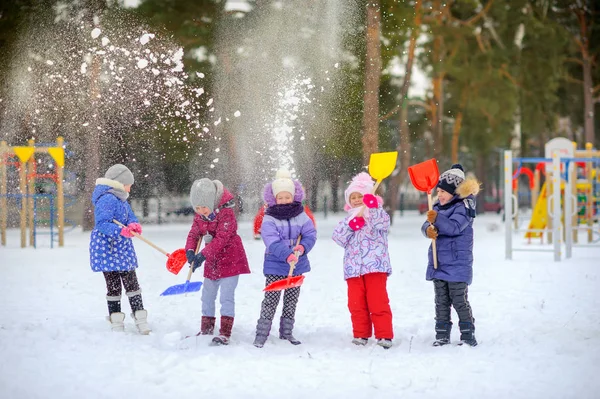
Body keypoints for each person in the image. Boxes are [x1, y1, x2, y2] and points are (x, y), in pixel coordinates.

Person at [253, 169, 317, 348]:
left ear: (293, 196)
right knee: (271, 299)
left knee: (291, 299)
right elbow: (271, 241)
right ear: (273, 198)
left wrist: (303, 247)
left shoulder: (301, 215)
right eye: (280, 197)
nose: (283, 200)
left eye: (287, 197)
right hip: (275, 264)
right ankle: (262, 333)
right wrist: (286, 254)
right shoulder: (269, 217)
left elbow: (310, 234)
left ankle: (287, 332)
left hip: (297, 265)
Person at [185, 178, 251, 346]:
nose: (201, 211)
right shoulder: (200, 215)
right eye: (197, 208)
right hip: (212, 261)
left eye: (204, 207)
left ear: (212, 203)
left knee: (226, 297)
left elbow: (222, 239)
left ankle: (225, 332)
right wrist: (191, 251)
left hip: (230, 260)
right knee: (207, 295)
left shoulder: (226, 213)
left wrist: (202, 255)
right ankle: (206, 329)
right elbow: (194, 233)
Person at [332, 172, 393, 349]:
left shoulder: (377, 215)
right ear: (348, 201)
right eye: (353, 197)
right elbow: (338, 238)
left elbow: (383, 224)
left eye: (361, 196)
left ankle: (384, 335)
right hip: (353, 269)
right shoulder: (349, 219)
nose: (357, 200)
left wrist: (373, 208)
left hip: (375, 267)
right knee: (356, 304)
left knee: (378, 301)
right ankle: (361, 333)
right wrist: (351, 226)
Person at [421, 163, 480, 347]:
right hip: (439, 263)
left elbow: (454, 227)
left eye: (443, 191)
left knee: (459, 301)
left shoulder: (464, 208)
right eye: (438, 191)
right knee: (441, 302)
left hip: (457, 265)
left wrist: (436, 219)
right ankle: (442, 335)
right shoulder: (437, 207)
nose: (439, 195)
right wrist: (427, 230)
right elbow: (427, 225)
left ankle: (468, 334)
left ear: (454, 192)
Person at [89, 164, 150, 334]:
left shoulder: (121, 198)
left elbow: (130, 215)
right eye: (129, 184)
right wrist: (120, 231)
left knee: (131, 281)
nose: (130, 187)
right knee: (114, 284)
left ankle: (140, 317)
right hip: (107, 248)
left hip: (122, 246)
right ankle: (116, 320)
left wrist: (133, 224)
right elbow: (102, 224)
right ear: (121, 183)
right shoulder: (107, 198)